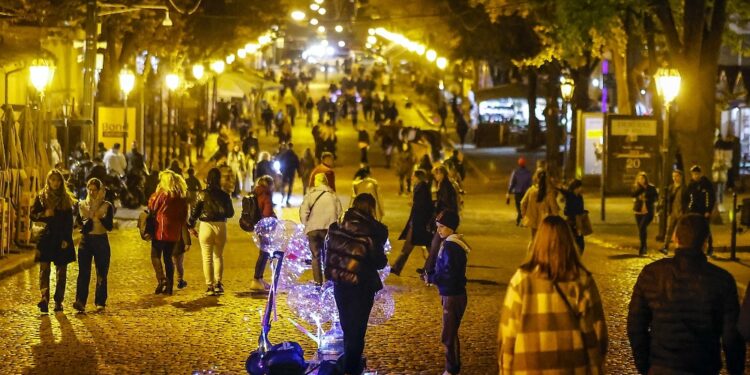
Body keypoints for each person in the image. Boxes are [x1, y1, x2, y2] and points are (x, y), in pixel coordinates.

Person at [627, 213, 745, 375]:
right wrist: (735, 370)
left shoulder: (652, 274)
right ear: (705, 242)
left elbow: (636, 324)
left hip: (661, 366)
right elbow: (731, 337)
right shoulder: (722, 280)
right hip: (703, 367)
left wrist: (644, 364)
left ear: (675, 238)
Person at [499, 215, 608, 373]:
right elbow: (598, 331)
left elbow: (508, 334)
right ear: (569, 242)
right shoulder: (582, 280)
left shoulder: (521, 281)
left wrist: (506, 369)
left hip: (529, 367)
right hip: (573, 367)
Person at [325, 193, 388, 375]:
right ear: (371, 209)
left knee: (347, 328)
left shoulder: (336, 227)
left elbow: (327, 253)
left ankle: (349, 366)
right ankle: (350, 369)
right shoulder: (374, 231)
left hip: (340, 283)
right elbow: (378, 261)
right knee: (357, 330)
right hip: (362, 285)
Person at [427, 210, 470, 375]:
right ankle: (452, 367)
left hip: (452, 295)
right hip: (451, 293)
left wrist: (433, 278)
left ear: (451, 227)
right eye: (437, 226)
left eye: (442, 227)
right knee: (450, 332)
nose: (439, 230)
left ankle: (452, 369)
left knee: (448, 334)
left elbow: (448, 272)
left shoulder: (452, 247)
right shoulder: (451, 243)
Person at [31, 169, 76, 313]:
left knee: (61, 272)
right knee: (44, 270)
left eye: (58, 180)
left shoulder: (65, 199)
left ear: (61, 182)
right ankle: (44, 298)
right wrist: (44, 213)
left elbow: (69, 222)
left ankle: (58, 300)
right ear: (48, 181)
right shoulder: (41, 197)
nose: (55, 183)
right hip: (45, 238)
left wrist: (66, 240)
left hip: (61, 238)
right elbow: (32, 215)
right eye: (52, 180)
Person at [188, 168, 235, 296]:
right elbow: (230, 213)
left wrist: (190, 225)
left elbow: (195, 212)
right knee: (218, 256)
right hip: (220, 225)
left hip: (206, 226)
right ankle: (219, 284)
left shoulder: (202, 194)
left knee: (207, 258)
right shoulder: (225, 195)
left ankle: (210, 286)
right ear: (219, 179)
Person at [72, 178, 114, 313]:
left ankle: (100, 301)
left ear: (100, 190)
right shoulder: (82, 204)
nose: (92, 192)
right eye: (89, 189)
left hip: (101, 240)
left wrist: (100, 216)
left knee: (101, 272)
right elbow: (78, 223)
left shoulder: (107, 206)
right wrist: (85, 220)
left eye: (95, 190)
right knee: (83, 272)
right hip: (86, 241)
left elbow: (110, 226)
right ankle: (80, 301)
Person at [147, 170, 189, 296]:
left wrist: (155, 192)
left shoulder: (162, 194)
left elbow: (152, 207)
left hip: (161, 229)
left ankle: (162, 279)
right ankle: (169, 287)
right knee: (168, 258)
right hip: (174, 231)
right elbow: (184, 215)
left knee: (155, 255)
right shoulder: (181, 196)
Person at [299, 173, 342, 286]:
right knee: (328, 256)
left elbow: (303, 213)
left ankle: (318, 283)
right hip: (329, 230)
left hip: (313, 230)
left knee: (315, 256)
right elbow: (340, 213)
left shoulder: (310, 195)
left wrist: (307, 225)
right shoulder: (333, 196)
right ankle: (328, 282)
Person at [421, 165, 460, 279]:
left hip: (446, 221)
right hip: (445, 220)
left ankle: (428, 271)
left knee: (436, 245)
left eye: (437, 174)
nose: (435, 176)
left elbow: (447, 204)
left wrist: (439, 210)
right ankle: (428, 270)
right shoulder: (443, 185)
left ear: (442, 173)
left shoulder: (446, 186)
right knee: (438, 246)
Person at [391, 169, 433, 276]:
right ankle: (396, 267)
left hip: (419, 223)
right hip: (417, 222)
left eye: (413, 176)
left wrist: (416, 218)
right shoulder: (420, 187)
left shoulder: (422, 187)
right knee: (409, 246)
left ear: (418, 177)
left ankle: (435, 267)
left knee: (429, 246)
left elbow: (423, 206)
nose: (412, 178)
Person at [250, 175, 276, 291]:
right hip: (265, 227)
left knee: (263, 253)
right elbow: (267, 213)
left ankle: (259, 279)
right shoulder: (266, 195)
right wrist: (274, 218)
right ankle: (256, 279)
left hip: (258, 225)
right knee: (264, 254)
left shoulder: (256, 192)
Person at [520, 169, 559, 240]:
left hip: (533, 221)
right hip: (546, 222)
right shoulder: (549, 192)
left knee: (533, 240)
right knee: (544, 241)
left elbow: (522, 203)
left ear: (536, 178)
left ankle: (532, 251)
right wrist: (556, 218)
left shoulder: (531, 190)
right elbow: (554, 208)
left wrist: (525, 216)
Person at [686, 165, 716, 255]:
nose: (695, 176)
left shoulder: (706, 184)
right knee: (694, 229)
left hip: (703, 211)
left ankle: (710, 247)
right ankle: (695, 247)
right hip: (693, 210)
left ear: (700, 174)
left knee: (706, 229)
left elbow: (710, 198)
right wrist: (688, 209)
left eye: (697, 174)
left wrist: (708, 210)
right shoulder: (691, 185)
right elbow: (688, 198)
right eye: (694, 174)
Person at [660, 169, 687, 255]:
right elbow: (667, 200)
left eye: (677, 176)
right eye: (673, 176)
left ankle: (679, 248)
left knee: (680, 231)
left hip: (681, 212)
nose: (675, 178)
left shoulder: (684, 188)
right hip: (672, 212)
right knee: (669, 230)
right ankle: (665, 247)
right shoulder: (671, 188)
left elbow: (687, 201)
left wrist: (685, 211)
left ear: (681, 177)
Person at [632, 172, 658, 256]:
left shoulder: (651, 187)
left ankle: (642, 247)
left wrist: (648, 199)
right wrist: (642, 188)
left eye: (643, 179)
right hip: (638, 211)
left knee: (642, 227)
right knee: (641, 229)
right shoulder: (636, 187)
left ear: (646, 179)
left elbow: (656, 197)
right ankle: (644, 246)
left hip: (648, 211)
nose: (641, 180)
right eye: (639, 179)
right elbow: (633, 195)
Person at [560, 179, 586, 253]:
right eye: (580, 187)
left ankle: (576, 256)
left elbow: (580, 208)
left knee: (580, 241)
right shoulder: (570, 195)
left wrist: (583, 212)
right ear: (576, 187)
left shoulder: (579, 197)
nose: (582, 188)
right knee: (572, 240)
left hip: (578, 221)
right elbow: (563, 190)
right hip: (571, 221)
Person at [506, 157, 532, 226]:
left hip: (517, 192)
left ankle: (519, 219)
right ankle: (522, 220)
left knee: (518, 207)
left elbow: (512, 183)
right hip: (526, 192)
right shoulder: (528, 172)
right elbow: (530, 184)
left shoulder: (515, 172)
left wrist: (509, 192)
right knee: (524, 207)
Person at [278, 143, 301, 207]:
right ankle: (287, 200)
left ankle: (283, 197)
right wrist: (299, 173)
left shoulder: (284, 154)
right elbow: (297, 165)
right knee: (290, 187)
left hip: (285, 172)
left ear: (288, 147)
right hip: (291, 173)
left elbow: (280, 162)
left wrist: (281, 170)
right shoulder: (294, 155)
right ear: (292, 147)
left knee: (283, 185)